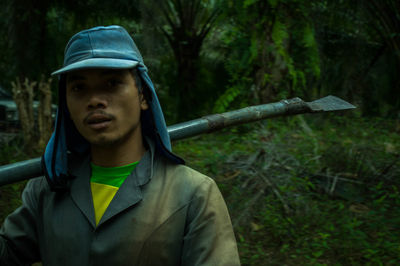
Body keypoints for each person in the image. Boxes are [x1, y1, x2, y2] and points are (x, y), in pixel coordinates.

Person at [0, 25, 240, 265]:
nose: (94, 100)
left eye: (112, 83)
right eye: (79, 88)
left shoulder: (193, 194)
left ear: (143, 96)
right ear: (66, 105)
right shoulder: (46, 190)